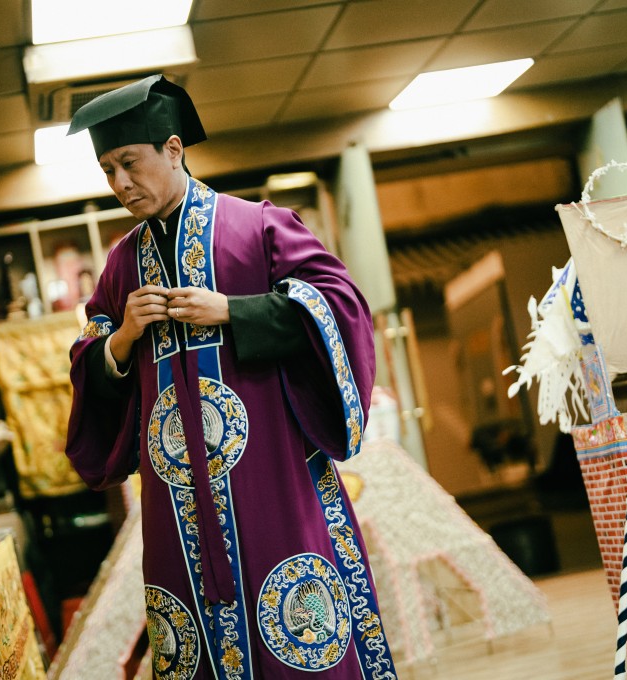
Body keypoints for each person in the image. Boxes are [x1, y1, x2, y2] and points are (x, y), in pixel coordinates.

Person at [64, 74, 395, 679]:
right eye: (108, 170)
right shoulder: (118, 267)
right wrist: (121, 340)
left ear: (172, 148)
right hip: (175, 505)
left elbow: (340, 303)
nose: (120, 184)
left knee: (298, 636)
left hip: (274, 479)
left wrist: (234, 311)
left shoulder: (259, 227)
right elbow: (89, 365)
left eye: (130, 163)